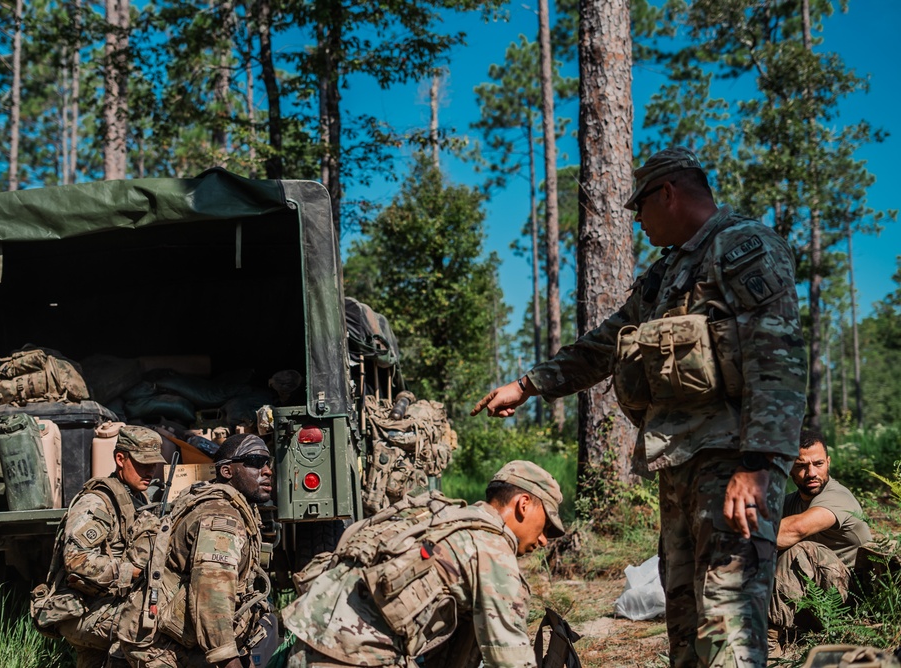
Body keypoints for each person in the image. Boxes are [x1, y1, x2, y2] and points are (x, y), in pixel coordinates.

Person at [472, 147, 806, 667]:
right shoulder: (666, 274)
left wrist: (758, 464)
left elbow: (778, 356)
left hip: (733, 461)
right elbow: (605, 346)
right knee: (684, 620)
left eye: (639, 207)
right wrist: (528, 385)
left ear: (668, 193)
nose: (636, 221)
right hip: (680, 465)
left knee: (728, 618)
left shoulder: (742, 246)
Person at [281, 459, 565, 668]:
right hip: (354, 659)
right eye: (547, 527)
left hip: (303, 648)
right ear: (524, 504)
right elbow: (510, 659)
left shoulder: (438, 517)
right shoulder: (493, 550)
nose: (543, 540)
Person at [121, 433, 275, 668]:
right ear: (227, 472)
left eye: (267, 462)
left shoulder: (238, 507)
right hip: (164, 650)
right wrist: (230, 660)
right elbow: (212, 601)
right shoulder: (221, 518)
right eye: (254, 461)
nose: (266, 471)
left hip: (186, 641)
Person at [58, 425, 166, 668]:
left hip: (109, 604)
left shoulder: (137, 497)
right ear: (120, 458)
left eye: (153, 464)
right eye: (142, 463)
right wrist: (135, 572)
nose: (149, 471)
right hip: (82, 609)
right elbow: (75, 560)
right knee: (156, 627)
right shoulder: (97, 502)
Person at [768, 429, 873, 648]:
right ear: (789, 469)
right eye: (801, 466)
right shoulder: (790, 503)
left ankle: (771, 644)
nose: (811, 473)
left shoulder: (838, 496)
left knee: (799, 549)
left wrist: (733, 539)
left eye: (818, 464)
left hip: (852, 601)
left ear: (828, 462)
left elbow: (794, 530)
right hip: (816, 596)